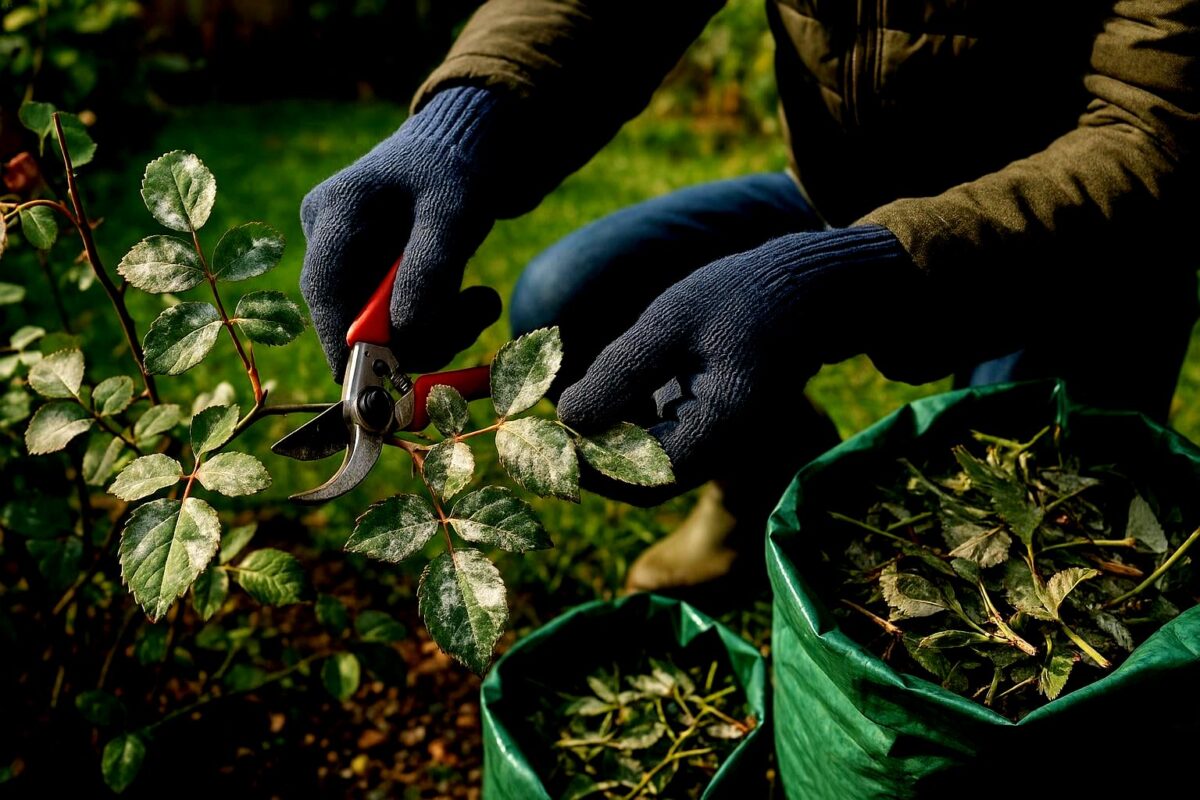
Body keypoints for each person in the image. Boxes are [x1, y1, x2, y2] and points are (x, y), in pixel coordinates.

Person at [298, 1, 1199, 592]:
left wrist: (854, 275)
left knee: (1008, 544)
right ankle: (763, 485)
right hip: (835, 195)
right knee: (571, 301)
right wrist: (463, 121)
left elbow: (1161, 132)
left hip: (1082, 253)